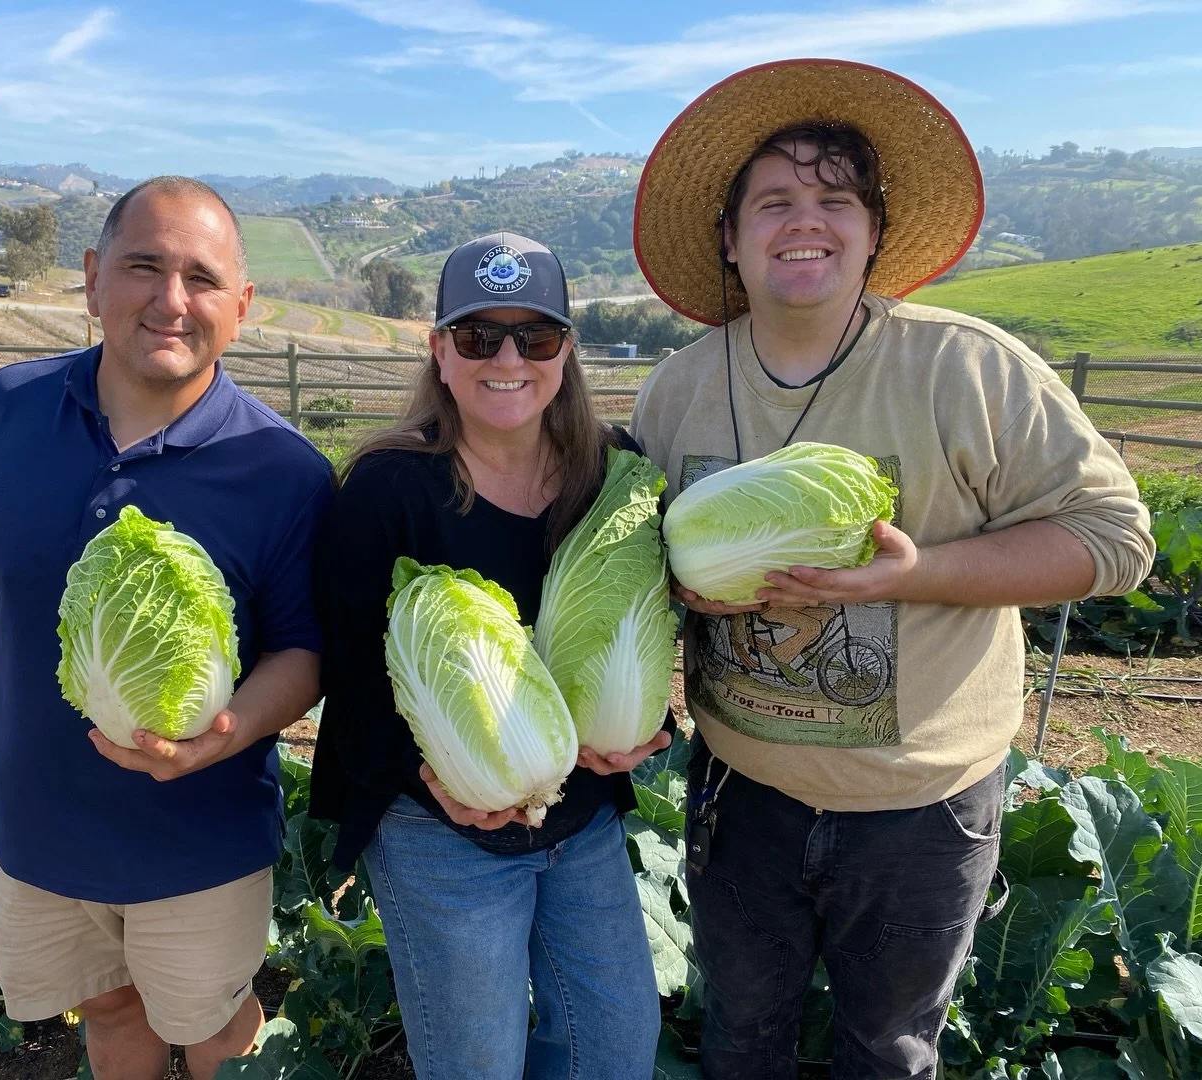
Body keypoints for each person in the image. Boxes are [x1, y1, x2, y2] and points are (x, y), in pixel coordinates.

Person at [629, 60, 1155, 1079]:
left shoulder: (970, 368)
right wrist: (675, 591)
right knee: (742, 1040)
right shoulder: (679, 388)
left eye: (834, 200)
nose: (804, 222)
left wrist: (908, 577)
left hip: (925, 809)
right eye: (773, 201)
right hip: (742, 794)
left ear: (873, 232)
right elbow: (637, 562)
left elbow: (1116, 540)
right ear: (730, 240)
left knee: (890, 1053)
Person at [0, 176, 333, 1080]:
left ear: (241, 307)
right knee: (103, 1004)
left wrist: (226, 735)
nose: (171, 301)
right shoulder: (6, 409)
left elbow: (304, 649)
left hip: (200, 835)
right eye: (144, 266)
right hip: (43, 821)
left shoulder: (282, 469)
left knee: (213, 1026)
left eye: (203, 279)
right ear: (93, 277)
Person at [310, 232, 666, 1080]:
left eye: (534, 336)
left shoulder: (612, 473)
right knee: (475, 1062)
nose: (507, 357)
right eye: (477, 336)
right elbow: (353, 681)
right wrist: (443, 782)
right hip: (436, 824)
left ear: (566, 351)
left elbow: (645, 620)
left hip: (579, 814)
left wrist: (648, 728)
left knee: (615, 1045)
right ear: (439, 350)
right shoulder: (387, 487)